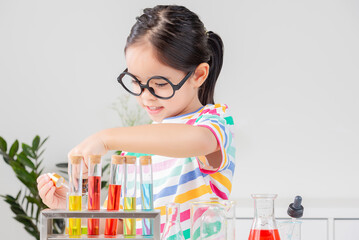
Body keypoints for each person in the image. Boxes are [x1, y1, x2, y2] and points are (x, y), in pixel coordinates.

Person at [37, 4, 236, 239]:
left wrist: (106, 138)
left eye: (160, 84)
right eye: (136, 82)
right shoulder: (137, 150)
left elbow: (198, 140)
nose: (146, 96)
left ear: (199, 75)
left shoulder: (213, 124)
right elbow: (126, 226)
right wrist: (72, 208)